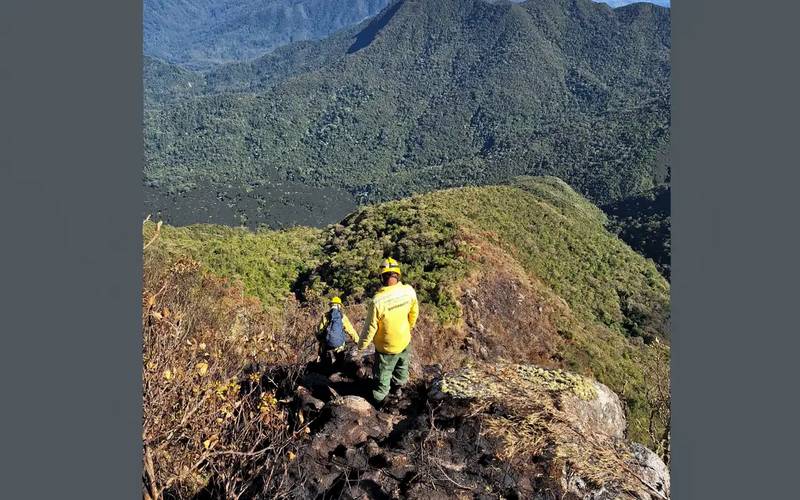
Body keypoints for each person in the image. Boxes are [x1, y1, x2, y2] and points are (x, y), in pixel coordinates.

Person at [358, 258, 419, 406]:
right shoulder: (409, 291)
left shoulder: (378, 301)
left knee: (382, 375)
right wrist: (407, 329)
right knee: (402, 367)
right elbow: (414, 313)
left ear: (382, 277)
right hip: (404, 341)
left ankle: (379, 402)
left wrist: (361, 346)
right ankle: (398, 390)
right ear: (398, 275)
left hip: (386, 348)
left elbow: (370, 328)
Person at [316, 297, 359, 373]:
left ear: (331, 305)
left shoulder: (325, 316)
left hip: (326, 345)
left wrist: (321, 341)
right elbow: (351, 330)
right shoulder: (343, 317)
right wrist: (358, 341)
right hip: (339, 346)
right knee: (340, 362)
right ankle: (339, 374)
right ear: (339, 306)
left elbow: (320, 331)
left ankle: (324, 375)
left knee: (325, 365)